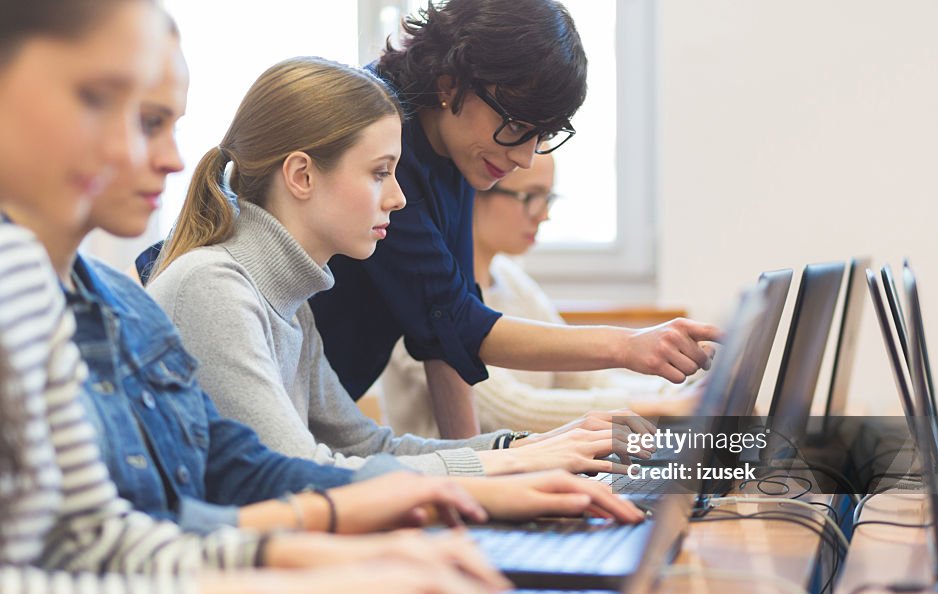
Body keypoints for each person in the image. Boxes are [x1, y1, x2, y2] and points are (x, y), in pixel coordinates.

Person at [0, 1, 508, 594]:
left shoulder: (31, 280)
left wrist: (310, 560)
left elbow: (104, 546)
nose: (158, 157)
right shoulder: (203, 285)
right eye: (102, 101)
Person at [146, 55, 655, 478]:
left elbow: (367, 446)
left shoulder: (289, 303)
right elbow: (299, 475)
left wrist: (519, 448)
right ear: (301, 175)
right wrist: (513, 463)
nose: (398, 197)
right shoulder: (214, 287)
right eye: (379, 173)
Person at [301, 0, 721, 439]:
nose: (523, 157)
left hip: (316, 412)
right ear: (450, 84)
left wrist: (477, 478)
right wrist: (627, 346)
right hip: (280, 408)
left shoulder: (454, 145)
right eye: (517, 126)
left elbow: (448, 338)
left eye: (543, 135)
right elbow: (459, 323)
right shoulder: (386, 140)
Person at [382, 153, 706, 436]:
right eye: (530, 196)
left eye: (549, 198)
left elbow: (584, 381)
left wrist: (684, 391)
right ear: (476, 193)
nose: (544, 214)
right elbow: (510, 412)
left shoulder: (511, 279)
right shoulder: (422, 291)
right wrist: (661, 408)